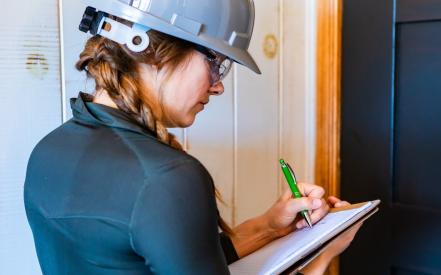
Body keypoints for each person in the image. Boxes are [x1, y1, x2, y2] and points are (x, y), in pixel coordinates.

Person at [24, 0, 362, 274]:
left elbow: (176, 259)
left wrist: (270, 227)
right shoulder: (166, 177)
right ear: (152, 48)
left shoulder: (49, 150)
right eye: (215, 63)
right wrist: (322, 255)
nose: (217, 85)